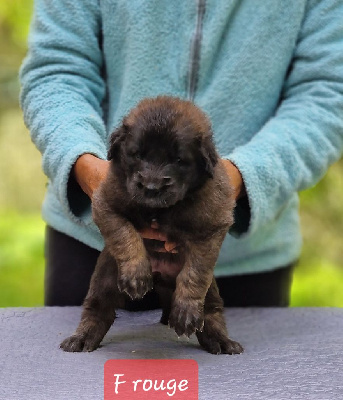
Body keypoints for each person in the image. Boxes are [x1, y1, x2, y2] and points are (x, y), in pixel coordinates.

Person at [20, 0, 343, 308]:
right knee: (86, 360)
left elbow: (328, 93)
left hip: (241, 255)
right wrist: (83, 163)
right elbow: (57, 69)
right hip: (94, 239)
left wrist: (247, 176)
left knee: (231, 366)